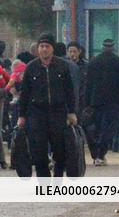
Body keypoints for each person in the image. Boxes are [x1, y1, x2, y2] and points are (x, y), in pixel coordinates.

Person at [17, 33, 77, 177]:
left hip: (58, 112)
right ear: (38, 49)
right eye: (41, 46)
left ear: (52, 48)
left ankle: (57, 180)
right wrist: (21, 115)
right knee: (38, 150)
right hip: (37, 113)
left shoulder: (62, 66)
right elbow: (24, 94)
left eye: (47, 46)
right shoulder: (31, 67)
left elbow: (69, 91)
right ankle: (44, 184)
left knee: (60, 149)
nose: (44, 49)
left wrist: (72, 112)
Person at [84, 38, 119, 166]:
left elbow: (88, 84)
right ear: (113, 48)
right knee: (108, 130)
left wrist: (87, 102)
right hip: (112, 102)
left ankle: (96, 154)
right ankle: (101, 155)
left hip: (95, 101)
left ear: (102, 47)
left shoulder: (93, 62)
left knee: (95, 129)